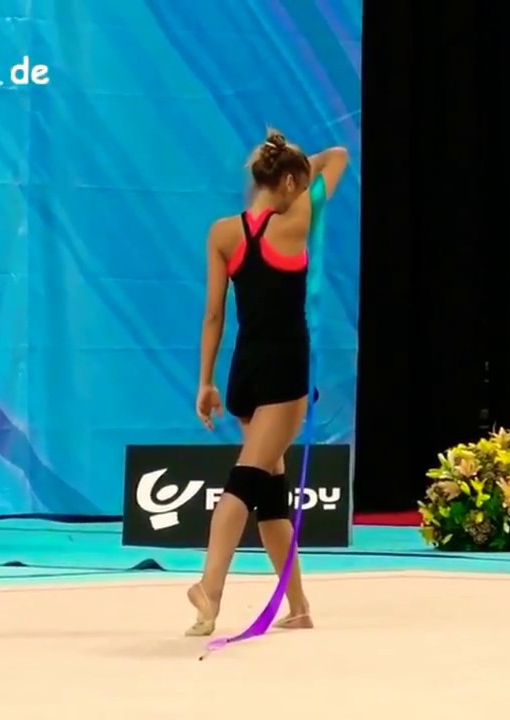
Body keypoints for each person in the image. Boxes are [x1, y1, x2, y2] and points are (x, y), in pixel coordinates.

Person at [186, 130, 349, 636]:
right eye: (298, 182)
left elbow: (214, 315)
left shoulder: (221, 233)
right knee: (250, 476)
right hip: (284, 369)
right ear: (292, 180)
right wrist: (294, 155)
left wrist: (205, 382)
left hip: (244, 369)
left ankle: (297, 607)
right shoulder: (298, 219)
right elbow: (337, 157)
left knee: (271, 491)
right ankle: (211, 588)